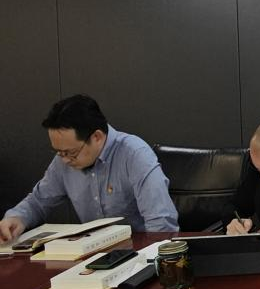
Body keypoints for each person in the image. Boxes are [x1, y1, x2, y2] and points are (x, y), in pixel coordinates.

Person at [0, 95, 177, 241]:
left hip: (138, 252)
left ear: (97, 137)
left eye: (71, 153)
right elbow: (38, 201)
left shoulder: (134, 154)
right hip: (92, 252)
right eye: (59, 152)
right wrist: (17, 218)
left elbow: (161, 223)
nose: (65, 160)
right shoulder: (63, 160)